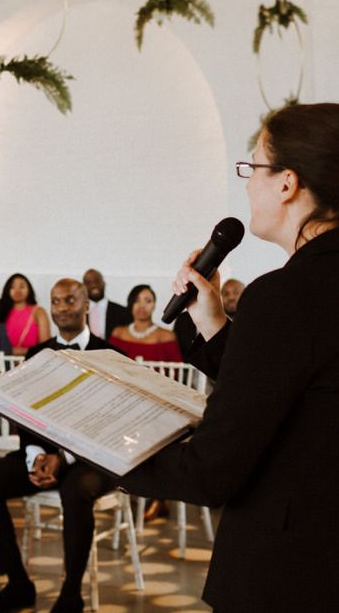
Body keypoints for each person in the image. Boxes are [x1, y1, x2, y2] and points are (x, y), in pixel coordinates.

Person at [120, 103, 339, 612]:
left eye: (253, 167)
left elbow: (210, 471)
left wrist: (103, 449)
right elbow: (293, 388)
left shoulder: (284, 297)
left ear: (287, 182)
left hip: (289, 569)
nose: (247, 184)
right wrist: (215, 324)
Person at [0, 279, 116, 613]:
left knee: (76, 491)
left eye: (70, 301)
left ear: (86, 305)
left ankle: (71, 594)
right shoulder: (38, 353)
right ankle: (18, 583)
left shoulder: (111, 354)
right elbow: (26, 412)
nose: (62, 308)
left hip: (95, 458)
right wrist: (35, 456)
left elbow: (111, 421)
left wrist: (64, 457)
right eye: (56, 302)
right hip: (43, 451)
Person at [109, 284, 182, 362]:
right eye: (137, 301)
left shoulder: (166, 336)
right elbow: (107, 364)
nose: (142, 305)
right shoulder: (118, 333)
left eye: (148, 301)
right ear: (131, 304)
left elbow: (178, 371)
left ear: (154, 305)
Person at [174, 278, 245, 357]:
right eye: (225, 293)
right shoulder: (184, 319)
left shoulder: (251, 321)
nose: (231, 297)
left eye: (236, 292)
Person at [0, 273, 50, 355]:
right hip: (2, 365)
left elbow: (45, 348)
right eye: (12, 287)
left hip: (32, 364)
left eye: (22, 287)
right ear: (7, 290)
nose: (17, 291)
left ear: (29, 289)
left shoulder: (39, 312)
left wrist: (11, 351)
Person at [82, 268, 131, 340]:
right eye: (89, 283)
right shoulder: (78, 313)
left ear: (104, 283)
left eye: (97, 281)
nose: (93, 285)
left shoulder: (122, 312)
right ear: (83, 287)